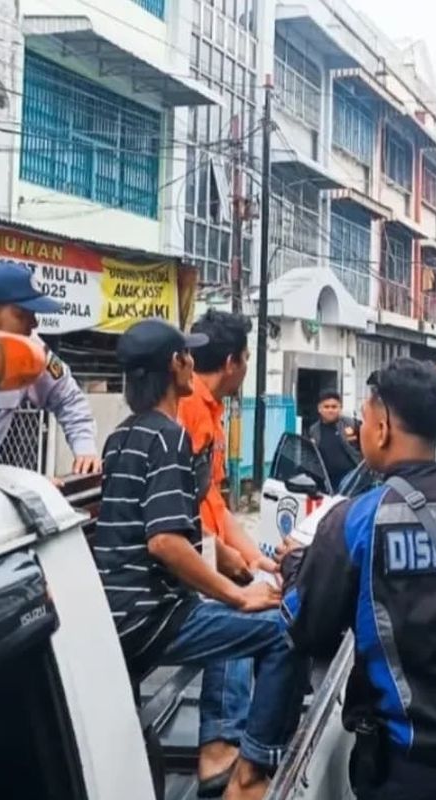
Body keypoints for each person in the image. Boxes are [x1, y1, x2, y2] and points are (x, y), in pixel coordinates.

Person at [280, 358, 436, 800]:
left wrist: (293, 570)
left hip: (406, 763)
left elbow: (309, 631)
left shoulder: (356, 521)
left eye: (364, 418)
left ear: (381, 427)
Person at [92, 318, 304, 800]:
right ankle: (245, 769)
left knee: (240, 606)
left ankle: (226, 750)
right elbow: (165, 542)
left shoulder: (122, 435)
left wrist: (239, 567)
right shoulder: (170, 436)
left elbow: (190, 523)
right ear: (176, 365)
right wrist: (238, 595)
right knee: (283, 630)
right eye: (186, 356)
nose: (194, 363)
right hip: (152, 617)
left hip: (121, 614)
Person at [176, 309, 278, 794]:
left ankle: (247, 736)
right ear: (235, 362)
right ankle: (219, 741)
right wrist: (224, 562)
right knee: (243, 614)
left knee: (265, 592)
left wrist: (254, 557)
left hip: (209, 549)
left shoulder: (211, 411)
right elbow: (179, 511)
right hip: (190, 561)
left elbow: (214, 500)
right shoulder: (189, 410)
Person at [0, 261, 101, 473]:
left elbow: (68, 397)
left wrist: (85, 449)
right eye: (23, 315)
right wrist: (17, 481)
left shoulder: (29, 347)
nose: (34, 324)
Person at [307, 390, 362, 488]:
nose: (330, 410)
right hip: (326, 484)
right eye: (326, 407)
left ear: (340, 408)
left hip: (352, 483)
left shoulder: (352, 424)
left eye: (334, 407)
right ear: (319, 409)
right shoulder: (314, 430)